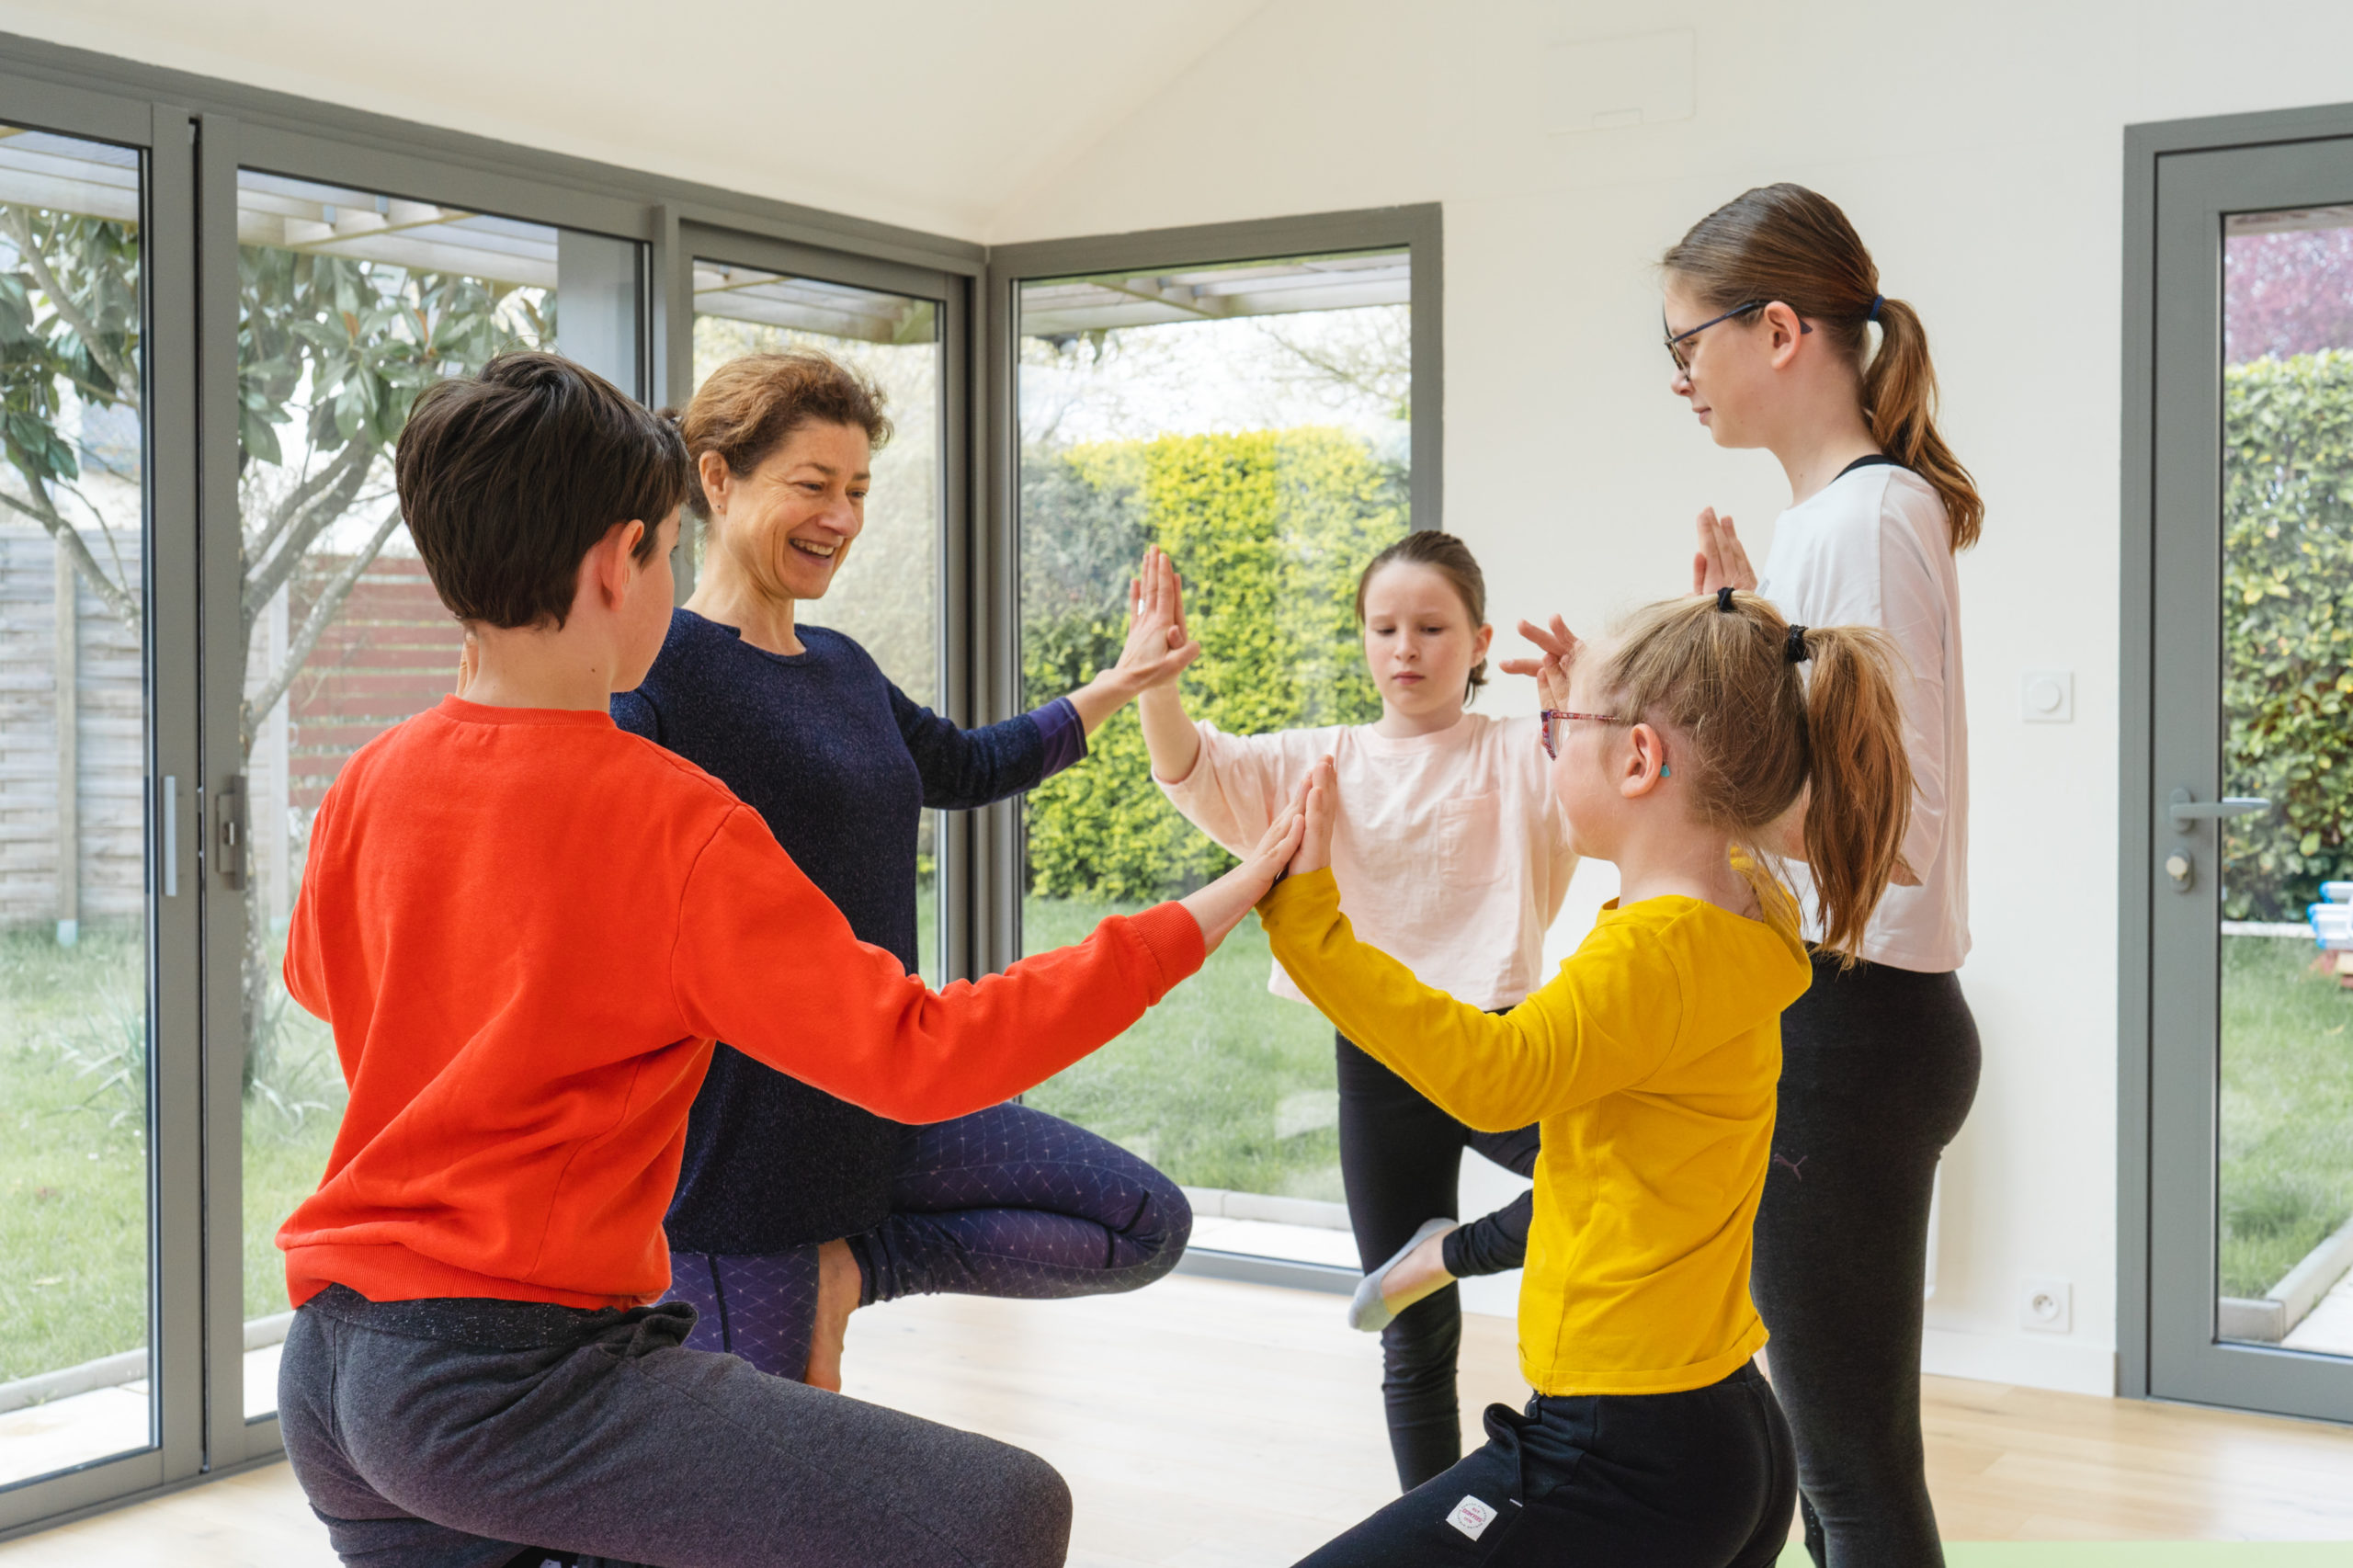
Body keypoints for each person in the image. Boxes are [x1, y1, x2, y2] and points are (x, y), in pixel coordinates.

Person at [271, 350, 1306, 1568]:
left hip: (338, 1371)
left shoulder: (371, 776)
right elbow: (923, 1054)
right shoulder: (672, 816)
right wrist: (1195, 919)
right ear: (622, 562)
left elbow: (327, 986)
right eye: (663, 541)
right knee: (1005, 1513)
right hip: (512, 1379)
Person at [1267, 586, 1915, 1567]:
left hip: (1624, 1448)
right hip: (1729, 1426)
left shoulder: (1654, 955)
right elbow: (1716, 796)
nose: (1547, 748)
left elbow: (1495, 1074)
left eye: (1559, 731)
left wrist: (1308, 920)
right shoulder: (1748, 909)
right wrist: (1599, 718)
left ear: (1641, 759)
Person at [612, 350, 1200, 1392]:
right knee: (766, 1506)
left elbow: (967, 763)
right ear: (716, 479)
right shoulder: (657, 678)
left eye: (857, 490)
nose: (841, 515)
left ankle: (862, 1263)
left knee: (1140, 1219)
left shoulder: (840, 664)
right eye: (812, 485)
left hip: (883, 1103)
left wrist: (1119, 682)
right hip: (749, 1162)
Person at [1655, 182, 1984, 1568]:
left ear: (1778, 327)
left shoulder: (1862, 518)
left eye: (1688, 342)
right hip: (1855, 1018)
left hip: (1854, 1028)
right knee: (1817, 1460)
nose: (1680, 375)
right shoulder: (1831, 522)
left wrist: (1688, 781)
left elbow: (1878, 827)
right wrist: (1743, 640)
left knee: (1851, 1477)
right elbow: (1836, 758)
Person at [1137, 528, 1578, 1492]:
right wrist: (1156, 686)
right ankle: (1432, 1533)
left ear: (1477, 640)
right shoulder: (1320, 758)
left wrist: (1571, 711)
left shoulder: (1516, 752)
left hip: (1498, 1046)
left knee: (1609, 1187)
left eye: (1430, 626)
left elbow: (1601, 794)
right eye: (1385, 627)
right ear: (1364, 641)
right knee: (1412, 1335)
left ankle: (1449, 1252)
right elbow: (1195, 770)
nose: (1406, 647)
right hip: (1378, 1064)